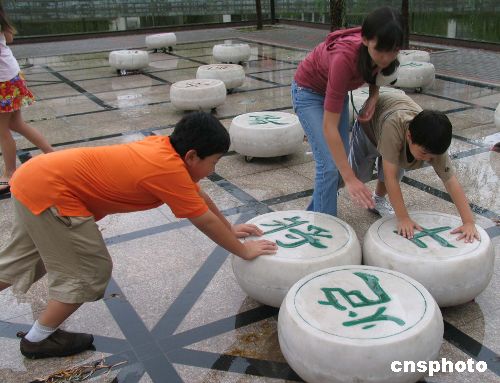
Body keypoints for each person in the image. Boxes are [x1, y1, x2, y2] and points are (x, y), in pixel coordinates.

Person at [0, 112, 278, 359]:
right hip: (53, 193)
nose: (213, 170)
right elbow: (203, 220)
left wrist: (229, 229)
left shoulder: (166, 150)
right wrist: (243, 250)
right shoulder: (167, 170)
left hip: (32, 178)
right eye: (214, 162)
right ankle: (38, 340)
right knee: (88, 272)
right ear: (192, 156)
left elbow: (199, 198)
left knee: (22, 259)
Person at [292, 6, 404, 216]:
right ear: (365, 40)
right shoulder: (344, 58)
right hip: (308, 93)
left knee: (337, 167)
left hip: (337, 93)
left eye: (394, 51)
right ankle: (326, 231)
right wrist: (351, 179)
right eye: (381, 50)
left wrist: (373, 96)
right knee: (330, 167)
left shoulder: (384, 52)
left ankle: (313, 217)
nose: (386, 58)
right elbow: (329, 127)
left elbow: (379, 72)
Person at [348, 91, 479, 242]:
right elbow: (390, 178)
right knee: (357, 175)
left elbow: (450, 180)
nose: (428, 159)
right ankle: (333, 186)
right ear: (409, 136)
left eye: (432, 157)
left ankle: (378, 199)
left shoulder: (433, 142)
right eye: (424, 153)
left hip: (396, 121)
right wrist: (403, 218)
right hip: (370, 123)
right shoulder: (394, 128)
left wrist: (469, 222)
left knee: (397, 165)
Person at [0, 3, 54, 195]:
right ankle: (52, 155)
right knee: (16, 124)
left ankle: (9, 173)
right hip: (12, 77)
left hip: (3, 82)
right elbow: (9, 38)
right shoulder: (2, 19)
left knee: (2, 130)